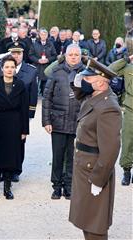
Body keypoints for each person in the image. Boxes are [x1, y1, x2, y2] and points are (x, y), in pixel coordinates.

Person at [69, 57, 122, 240]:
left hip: (94, 171)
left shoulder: (108, 108)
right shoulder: (95, 97)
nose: (83, 82)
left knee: (95, 225)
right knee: (86, 218)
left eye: (88, 79)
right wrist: (81, 78)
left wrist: (99, 180)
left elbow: (110, 151)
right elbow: (77, 91)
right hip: (85, 167)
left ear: (101, 83)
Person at [0, 42, 38, 181]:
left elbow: (33, 92)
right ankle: (0, 170)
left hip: (19, 113)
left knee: (18, 144)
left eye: (18, 53)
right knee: (1, 143)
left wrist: (30, 114)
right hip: (1, 115)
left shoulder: (30, 70)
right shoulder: (2, 66)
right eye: (13, 53)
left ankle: (15, 170)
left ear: (23, 54)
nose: (16, 56)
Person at [42, 44, 84, 200]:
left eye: (76, 55)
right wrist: (46, 121)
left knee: (72, 157)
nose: (73, 57)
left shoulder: (86, 73)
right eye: (70, 54)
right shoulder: (57, 72)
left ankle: (69, 186)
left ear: (80, 56)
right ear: (65, 56)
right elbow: (47, 97)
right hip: (58, 121)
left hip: (77, 121)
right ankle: (56, 186)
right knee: (57, 156)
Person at [0, 55, 29, 200]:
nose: (9, 70)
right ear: (2, 68)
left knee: (10, 157)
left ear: (15, 69)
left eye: (12, 67)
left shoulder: (21, 86)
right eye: (7, 67)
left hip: (14, 124)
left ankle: (7, 189)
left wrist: (24, 130)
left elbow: (24, 109)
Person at [108, 51, 133, 186]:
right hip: (130, 109)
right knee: (128, 140)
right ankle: (127, 170)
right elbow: (111, 69)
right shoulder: (128, 68)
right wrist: (126, 59)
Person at [29, 28, 57, 95]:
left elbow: (54, 55)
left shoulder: (50, 44)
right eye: (42, 34)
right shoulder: (34, 44)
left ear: (47, 35)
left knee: (46, 86)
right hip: (37, 67)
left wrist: (48, 60)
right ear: (39, 35)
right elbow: (30, 55)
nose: (43, 36)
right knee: (35, 85)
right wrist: (38, 60)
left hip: (47, 68)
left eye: (45, 35)